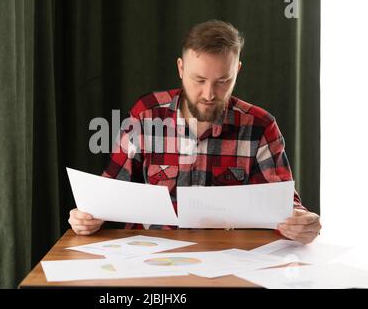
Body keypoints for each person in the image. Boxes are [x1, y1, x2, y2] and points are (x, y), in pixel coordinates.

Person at [68, 20, 321, 244]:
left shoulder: (260, 126)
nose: (209, 94)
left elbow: (284, 204)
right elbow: (108, 192)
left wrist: (301, 222)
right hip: (152, 256)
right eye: (199, 80)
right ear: (180, 68)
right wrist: (87, 216)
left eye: (223, 81)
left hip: (229, 257)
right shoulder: (146, 114)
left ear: (237, 72)